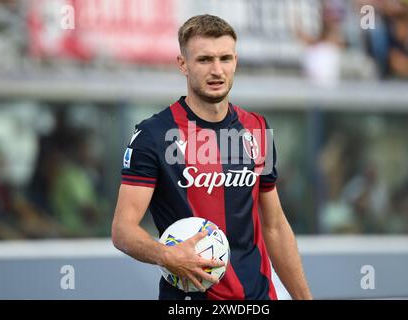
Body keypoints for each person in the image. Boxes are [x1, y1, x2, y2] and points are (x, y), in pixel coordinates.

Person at [111, 14, 312, 300]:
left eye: (225, 58)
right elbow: (123, 230)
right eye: (204, 60)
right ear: (183, 64)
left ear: (236, 62)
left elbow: (275, 226)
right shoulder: (153, 135)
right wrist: (166, 255)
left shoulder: (256, 128)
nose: (217, 70)